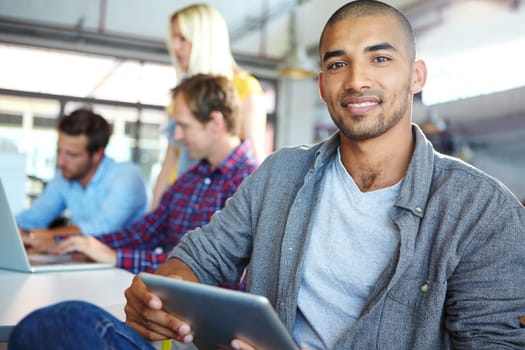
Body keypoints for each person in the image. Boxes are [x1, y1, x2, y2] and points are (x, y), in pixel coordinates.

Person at [9, 1, 525, 349]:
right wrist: (159, 295)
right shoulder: (282, 174)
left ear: (416, 76)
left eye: (380, 58)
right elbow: (200, 256)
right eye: (337, 64)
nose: (357, 79)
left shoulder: (483, 211)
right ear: (322, 84)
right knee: (57, 325)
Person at [23, 74, 258, 274]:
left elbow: (208, 268)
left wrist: (115, 257)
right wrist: (72, 244)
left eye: (184, 126)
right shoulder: (191, 179)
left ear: (215, 122)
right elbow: (143, 233)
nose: (177, 137)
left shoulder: (252, 185)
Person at [150, 3, 268, 210]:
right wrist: (154, 211)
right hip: (179, 200)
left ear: (205, 39)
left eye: (183, 38)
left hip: (219, 205)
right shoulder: (180, 97)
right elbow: (169, 161)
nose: (176, 47)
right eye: (174, 39)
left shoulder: (245, 88)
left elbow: (256, 163)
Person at [16, 108, 148, 237]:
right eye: (59, 151)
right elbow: (33, 218)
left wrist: (34, 236)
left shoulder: (126, 176)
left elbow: (103, 229)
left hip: (119, 257)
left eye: (72, 155)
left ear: (97, 155)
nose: (60, 162)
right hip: (78, 257)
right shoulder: (64, 177)